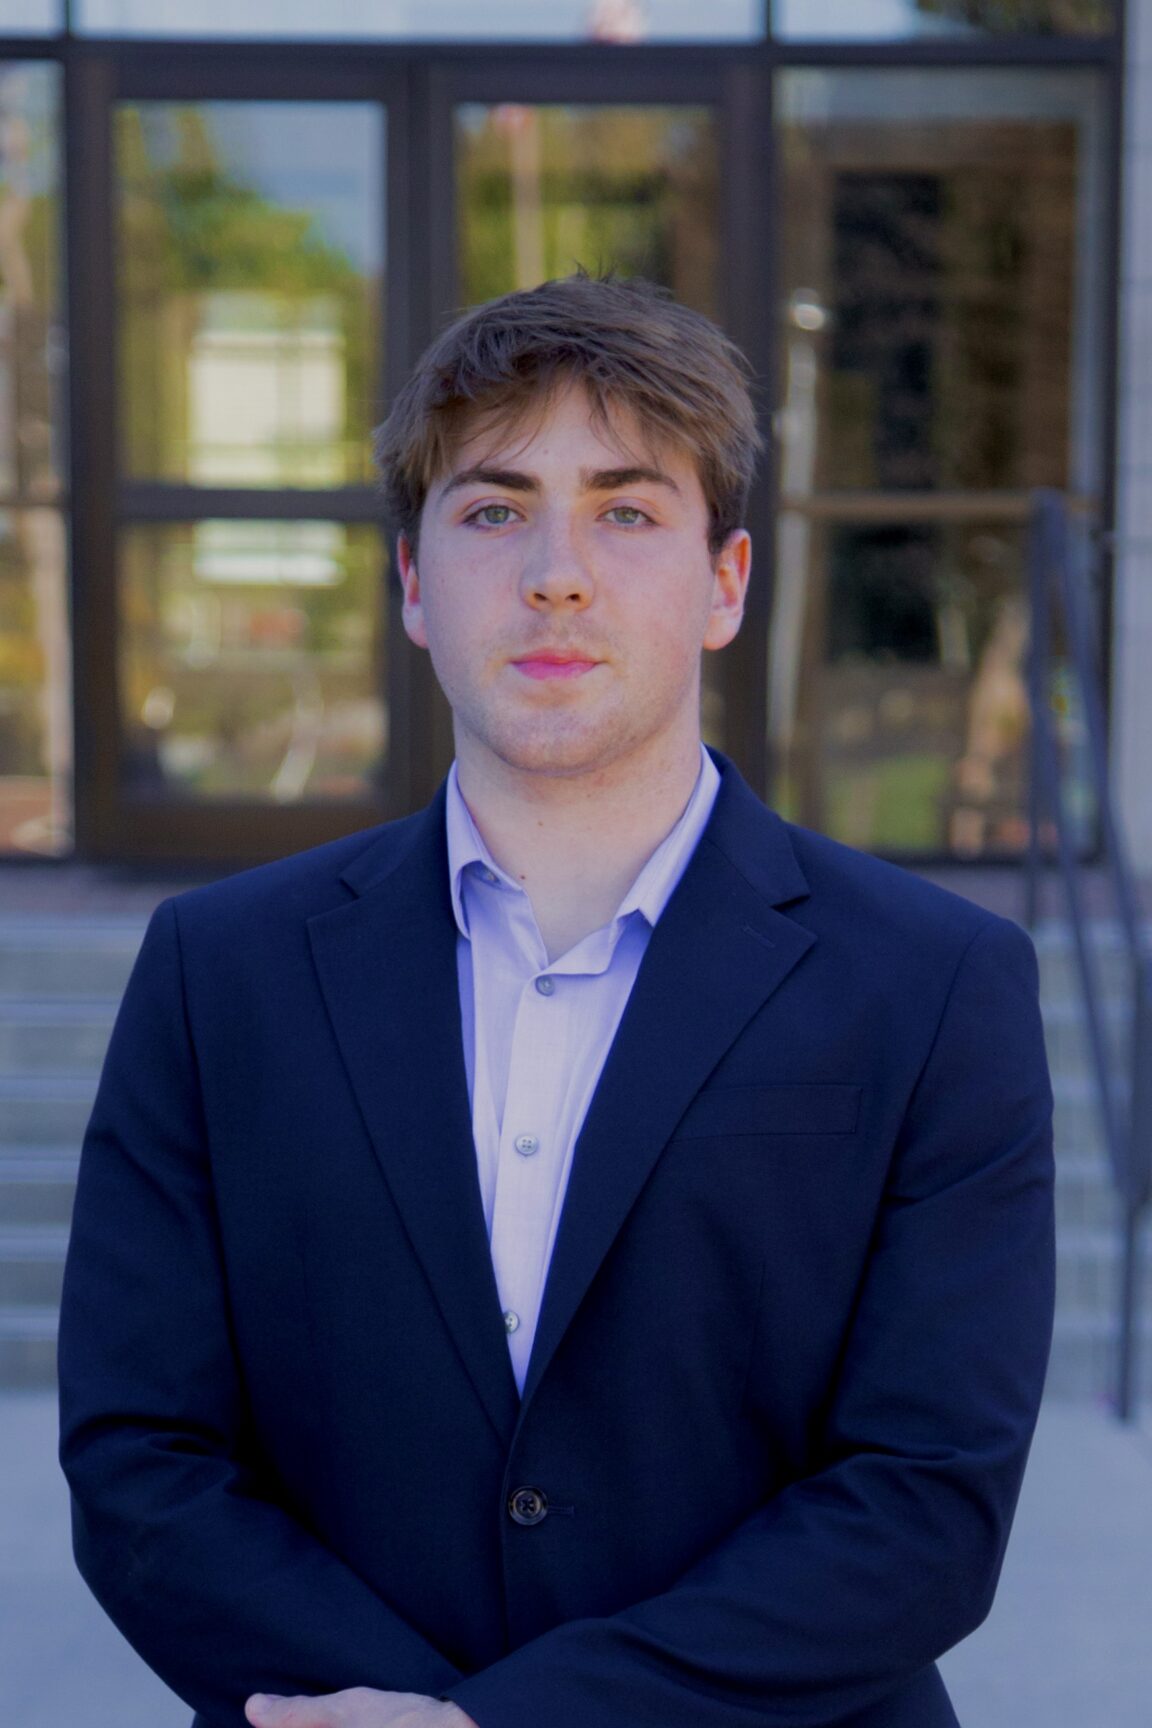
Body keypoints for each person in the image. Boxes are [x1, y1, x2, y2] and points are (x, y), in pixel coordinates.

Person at [58, 273, 1055, 1728]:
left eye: (628, 510)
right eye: (492, 509)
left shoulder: (938, 983)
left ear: (726, 583)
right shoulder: (224, 971)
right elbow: (143, 1456)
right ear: (412, 582)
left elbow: (925, 1504)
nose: (556, 573)